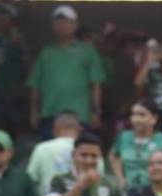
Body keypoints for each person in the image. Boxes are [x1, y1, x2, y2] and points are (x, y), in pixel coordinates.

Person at [27, 5, 104, 136]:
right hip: (50, 115)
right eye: (58, 22)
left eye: (67, 22)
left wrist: (96, 112)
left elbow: (96, 84)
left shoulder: (87, 51)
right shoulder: (46, 52)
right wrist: (34, 112)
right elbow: (35, 85)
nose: (62, 25)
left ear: (75, 25)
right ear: (52, 25)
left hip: (80, 116)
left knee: (78, 153)